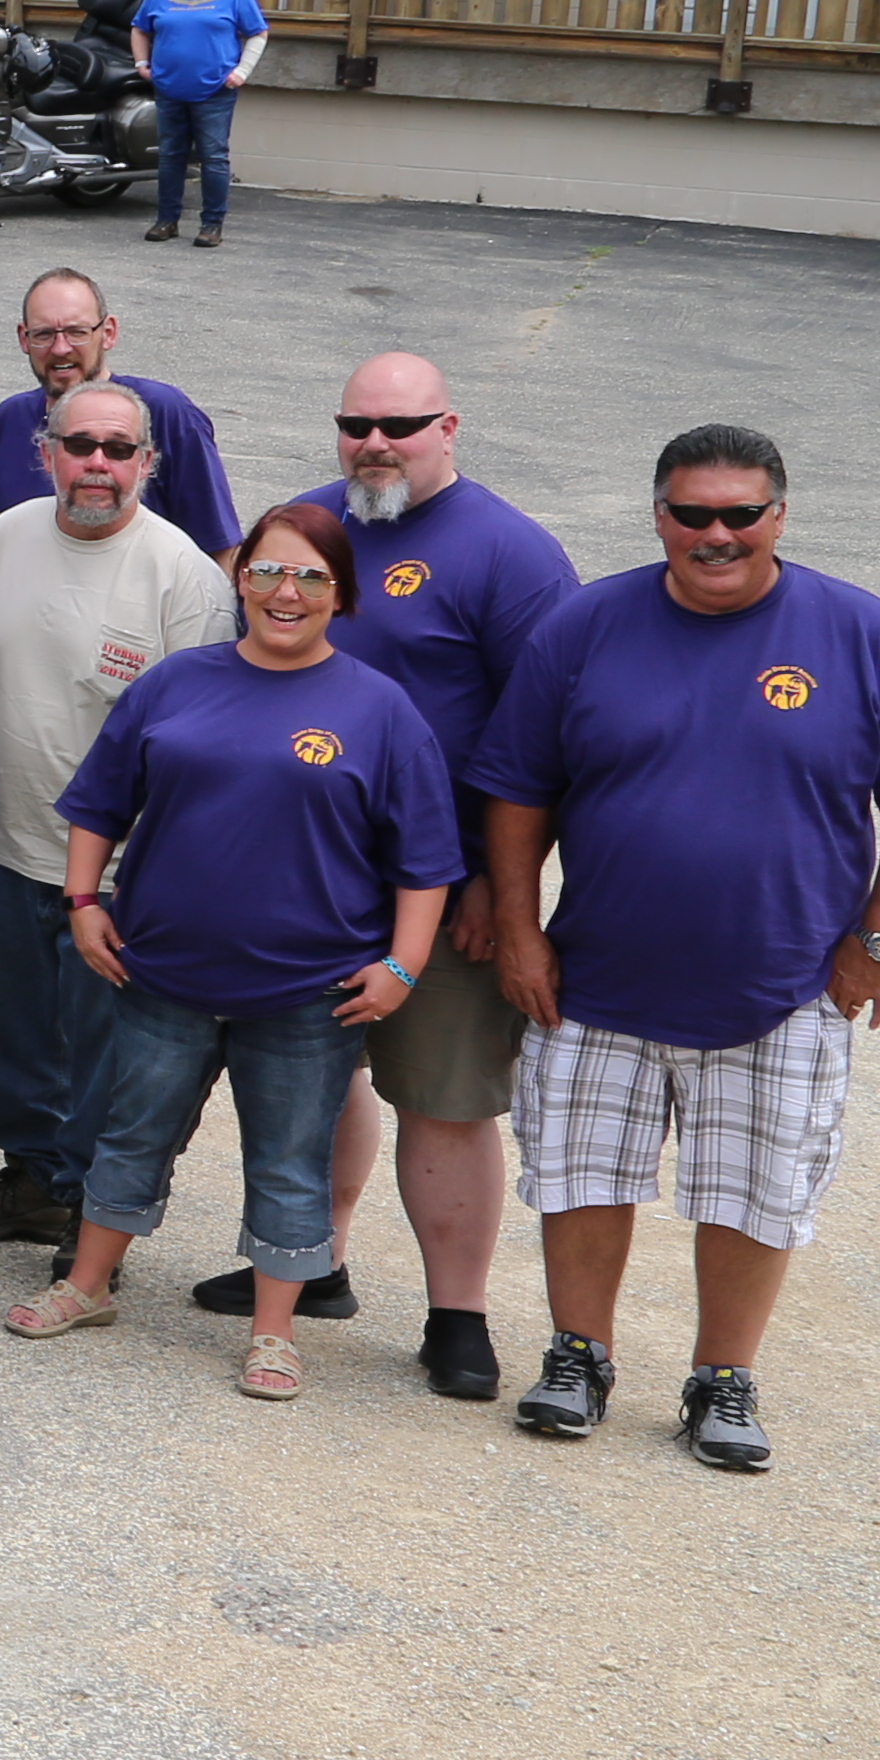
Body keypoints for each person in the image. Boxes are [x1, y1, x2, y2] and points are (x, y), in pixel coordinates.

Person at [478, 425, 880, 1473]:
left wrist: (879, 944)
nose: (716, 534)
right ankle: (578, 1355)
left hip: (784, 983)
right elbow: (520, 792)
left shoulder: (864, 635)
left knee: (757, 1192)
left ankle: (723, 1377)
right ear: (658, 515)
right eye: (691, 514)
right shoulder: (586, 627)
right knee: (580, 1179)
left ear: (778, 516)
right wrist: (521, 934)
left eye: (739, 514)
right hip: (596, 978)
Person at [2, 501, 462, 1400]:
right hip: (162, 974)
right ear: (239, 579)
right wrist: (84, 901)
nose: (284, 593)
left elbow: (425, 863)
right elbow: (99, 804)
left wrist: (402, 966)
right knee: (131, 1135)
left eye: (310, 577)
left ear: (343, 594)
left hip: (308, 991)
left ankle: (274, 1333)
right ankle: (87, 1287)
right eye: (265, 572)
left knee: (290, 1158)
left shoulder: (381, 710)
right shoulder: (175, 684)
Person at [293, 354, 580, 1396]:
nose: (374, 442)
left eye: (400, 424)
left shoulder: (511, 554)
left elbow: (545, 746)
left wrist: (496, 892)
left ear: (449, 426)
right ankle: (312, 1261)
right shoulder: (309, 530)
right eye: (355, 422)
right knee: (315, 1077)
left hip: (446, 888)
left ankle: (457, 1314)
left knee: (444, 1098)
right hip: (310, 878)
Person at [0, 379, 232, 1252]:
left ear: (147, 461)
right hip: (10, 845)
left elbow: (207, 748)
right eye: (79, 445)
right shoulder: (5, 538)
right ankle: (32, 1179)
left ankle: (93, 1211)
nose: (96, 465)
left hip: (118, 876)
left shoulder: (182, 576)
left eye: (116, 449)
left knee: (107, 1058)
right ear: (46, 452)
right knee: (12, 1037)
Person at [0, 270, 240, 558]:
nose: (61, 348)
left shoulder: (163, 412)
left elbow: (219, 550)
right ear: (24, 338)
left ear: (109, 333)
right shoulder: (9, 421)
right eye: (44, 334)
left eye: (77, 332)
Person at [131, 0, 271, 246]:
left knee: (213, 157)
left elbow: (258, 33)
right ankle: (167, 220)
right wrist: (142, 65)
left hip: (215, 91)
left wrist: (242, 71)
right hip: (169, 88)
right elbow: (140, 29)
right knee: (170, 156)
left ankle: (212, 225)